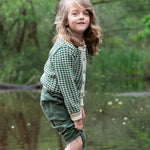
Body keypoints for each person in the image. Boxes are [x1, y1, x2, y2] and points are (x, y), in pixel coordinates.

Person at [40, 0, 102, 149]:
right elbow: (67, 86)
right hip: (54, 99)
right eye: (75, 13)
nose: (81, 17)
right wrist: (76, 116)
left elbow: (79, 80)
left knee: (81, 140)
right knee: (76, 142)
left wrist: (79, 104)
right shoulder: (64, 49)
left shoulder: (80, 43)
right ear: (65, 20)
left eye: (85, 13)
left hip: (66, 97)